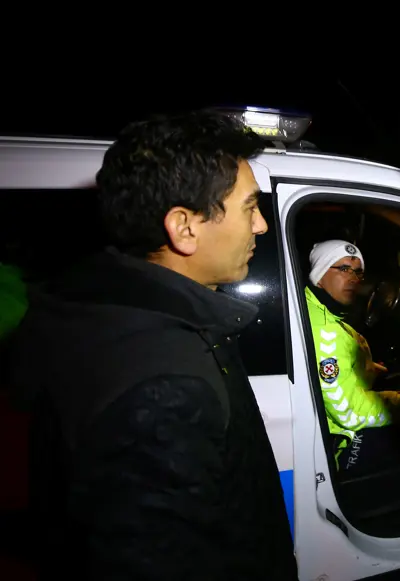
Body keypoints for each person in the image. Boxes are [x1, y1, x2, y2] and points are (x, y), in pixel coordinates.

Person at [6, 110, 296, 580]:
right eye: (249, 207)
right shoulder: (164, 390)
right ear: (184, 227)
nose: (261, 225)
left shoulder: (100, 310)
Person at [305, 239, 400, 475]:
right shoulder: (326, 332)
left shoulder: (319, 309)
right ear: (319, 274)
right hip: (339, 442)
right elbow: (348, 412)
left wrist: (373, 369)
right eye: (344, 269)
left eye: (358, 272)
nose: (353, 278)